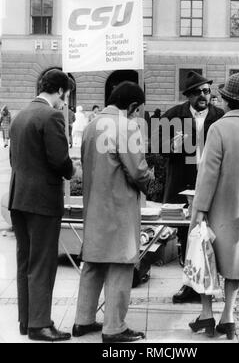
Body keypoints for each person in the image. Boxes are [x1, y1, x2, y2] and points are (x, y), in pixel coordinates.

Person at [188, 73, 239, 340]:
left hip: (219, 210)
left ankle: (207, 315)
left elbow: (208, 174)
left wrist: (199, 208)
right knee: (236, 264)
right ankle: (229, 317)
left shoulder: (219, 128)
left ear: (226, 100)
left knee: (205, 258)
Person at [73, 81, 152, 343]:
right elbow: (138, 171)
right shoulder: (127, 126)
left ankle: (83, 320)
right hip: (119, 208)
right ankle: (114, 327)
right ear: (131, 106)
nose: (137, 115)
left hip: (93, 205)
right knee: (121, 264)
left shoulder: (91, 125)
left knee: (93, 263)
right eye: (137, 110)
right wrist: (149, 178)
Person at [8, 69, 74, 341]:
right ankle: (40, 325)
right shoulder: (52, 116)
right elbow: (59, 160)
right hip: (43, 201)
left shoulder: (20, 115)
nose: (64, 102)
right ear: (60, 91)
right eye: (65, 96)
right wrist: (73, 171)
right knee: (43, 263)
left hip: (19, 198)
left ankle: (26, 321)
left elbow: (16, 158)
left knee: (25, 261)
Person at [157, 70, 224, 304]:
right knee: (187, 235)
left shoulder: (220, 116)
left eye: (207, 91)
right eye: (198, 92)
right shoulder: (172, 115)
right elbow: (158, 149)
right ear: (188, 96)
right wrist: (170, 146)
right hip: (183, 183)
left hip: (210, 184)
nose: (204, 96)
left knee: (211, 234)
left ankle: (208, 286)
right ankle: (189, 285)